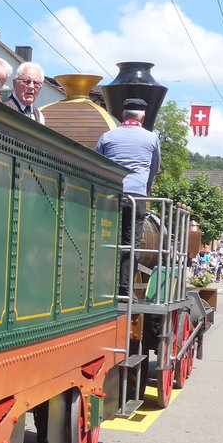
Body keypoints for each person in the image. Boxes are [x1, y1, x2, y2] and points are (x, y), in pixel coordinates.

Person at [94, 97, 162, 295]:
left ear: (123, 116)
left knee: (105, 240)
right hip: (136, 197)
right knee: (132, 244)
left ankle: (101, 286)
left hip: (111, 195)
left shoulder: (107, 136)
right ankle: (125, 289)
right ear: (142, 117)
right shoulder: (151, 138)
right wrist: (145, 187)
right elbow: (154, 168)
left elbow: (97, 164)